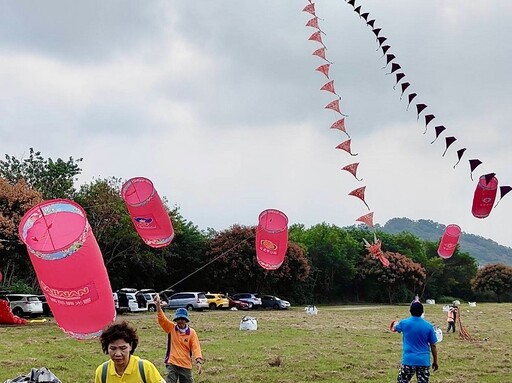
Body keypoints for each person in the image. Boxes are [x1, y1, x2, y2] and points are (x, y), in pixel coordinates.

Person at [95, 321, 165, 383]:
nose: (118, 354)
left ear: (130, 346)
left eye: (123, 348)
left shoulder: (145, 368)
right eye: (113, 348)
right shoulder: (102, 372)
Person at [155, 294, 203, 383]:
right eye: (178, 319)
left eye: (182, 319)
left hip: (186, 365)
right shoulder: (171, 328)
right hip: (172, 363)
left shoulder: (192, 332)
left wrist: (199, 361)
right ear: (176, 320)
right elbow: (162, 319)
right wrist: (158, 305)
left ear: (186, 320)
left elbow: (196, 347)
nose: (180, 321)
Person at [394, 302, 439, 383]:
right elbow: (433, 346)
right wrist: (435, 361)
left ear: (410, 311)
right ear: (422, 312)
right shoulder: (429, 326)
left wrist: (395, 324)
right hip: (423, 361)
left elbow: (395, 328)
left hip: (408, 360)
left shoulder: (404, 323)